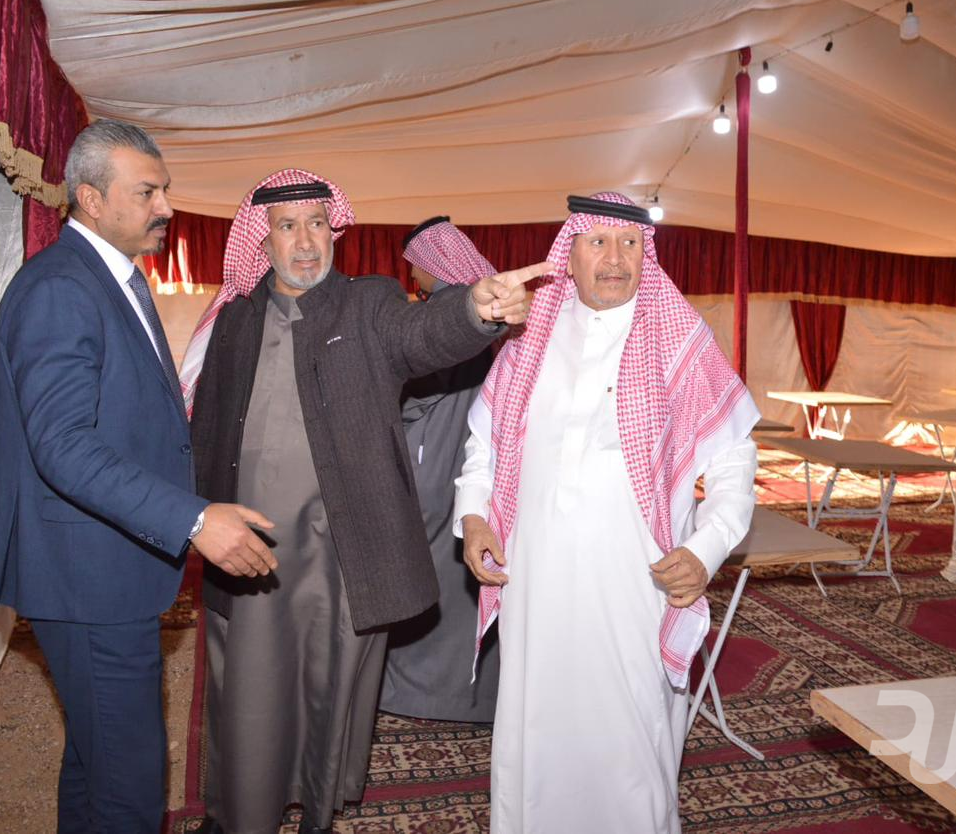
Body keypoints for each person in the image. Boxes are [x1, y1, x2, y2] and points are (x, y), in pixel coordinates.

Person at [184, 170, 545, 834]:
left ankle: (317, 812)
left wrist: (475, 310)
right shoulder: (235, 320)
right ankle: (240, 811)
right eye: (288, 227)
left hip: (343, 547)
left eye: (317, 224)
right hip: (252, 544)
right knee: (250, 689)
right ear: (261, 241)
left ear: (335, 231)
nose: (305, 242)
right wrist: (196, 518)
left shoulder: (368, 304)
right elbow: (208, 426)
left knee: (332, 686)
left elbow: (423, 335)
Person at [0, 119, 277, 834]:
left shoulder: (108, 277)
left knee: (99, 760)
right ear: (91, 197)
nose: (166, 207)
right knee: (131, 788)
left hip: (101, 564)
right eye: (147, 192)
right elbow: (63, 447)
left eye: (164, 190)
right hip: (86, 575)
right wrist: (194, 519)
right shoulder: (61, 288)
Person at [455, 192, 761, 834]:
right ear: (569, 254)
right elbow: (486, 440)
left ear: (647, 254)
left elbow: (735, 460)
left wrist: (705, 550)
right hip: (535, 581)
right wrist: (474, 515)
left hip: (634, 584)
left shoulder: (679, 337)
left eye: (630, 243)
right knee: (535, 730)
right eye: (598, 242)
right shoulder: (531, 335)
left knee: (629, 741)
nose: (615, 258)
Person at [380, 218, 502, 723]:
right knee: (468, 573)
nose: (413, 276)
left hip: (436, 462)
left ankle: (419, 692)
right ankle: (476, 692)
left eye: (415, 266)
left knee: (426, 571)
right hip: (479, 463)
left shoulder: (447, 313)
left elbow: (416, 392)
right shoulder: (489, 308)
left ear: (433, 263)